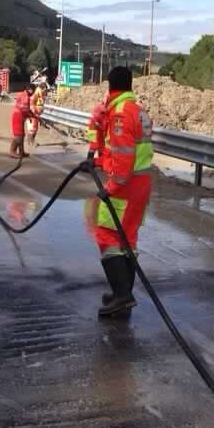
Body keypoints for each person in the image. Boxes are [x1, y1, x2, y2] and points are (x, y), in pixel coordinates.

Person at [87, 67, 153, 317]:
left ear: (110, 86)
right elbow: (127, 152)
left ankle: (123, 295)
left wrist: (110, 188)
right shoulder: (138, 110)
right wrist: (99, 161)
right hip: (141, 183)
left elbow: (124, 159)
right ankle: (122, 293)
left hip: (124, 187)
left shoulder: (120, 115)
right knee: (128, 238)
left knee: (106, 236)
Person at [9, 84, 34, 158]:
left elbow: (27, 110)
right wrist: (31, 116)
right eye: (33, 90)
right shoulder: (25, 97)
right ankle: (12, 151)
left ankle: (21, 151)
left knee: (22, 135)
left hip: (21, 117)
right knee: (18, 136)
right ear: (29, 89)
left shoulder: (26, 95)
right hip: (18, 117)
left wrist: (31, 116)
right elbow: (24, 110)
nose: (33, 92)